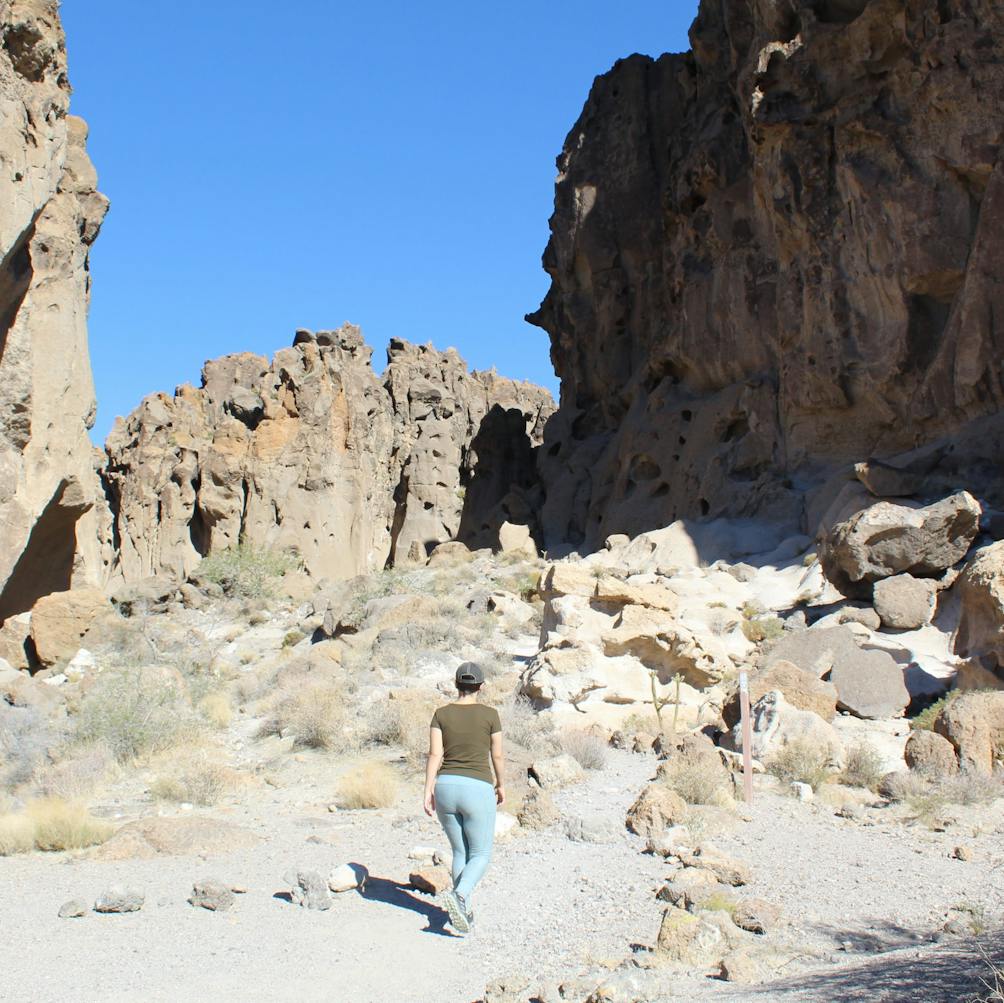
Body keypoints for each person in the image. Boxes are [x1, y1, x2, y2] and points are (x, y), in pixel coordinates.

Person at [423, 661, 505, 934]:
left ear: (457, 684)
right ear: (480, 686)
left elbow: (435, 754)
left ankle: (463, 911)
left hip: (445, 786)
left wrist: (428, 790)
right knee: (480, 853)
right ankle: (459, 897)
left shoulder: (441, 714)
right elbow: (498, 755)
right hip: (477, 786)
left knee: (460, 852)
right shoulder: (490, 715)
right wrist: (501, 783)